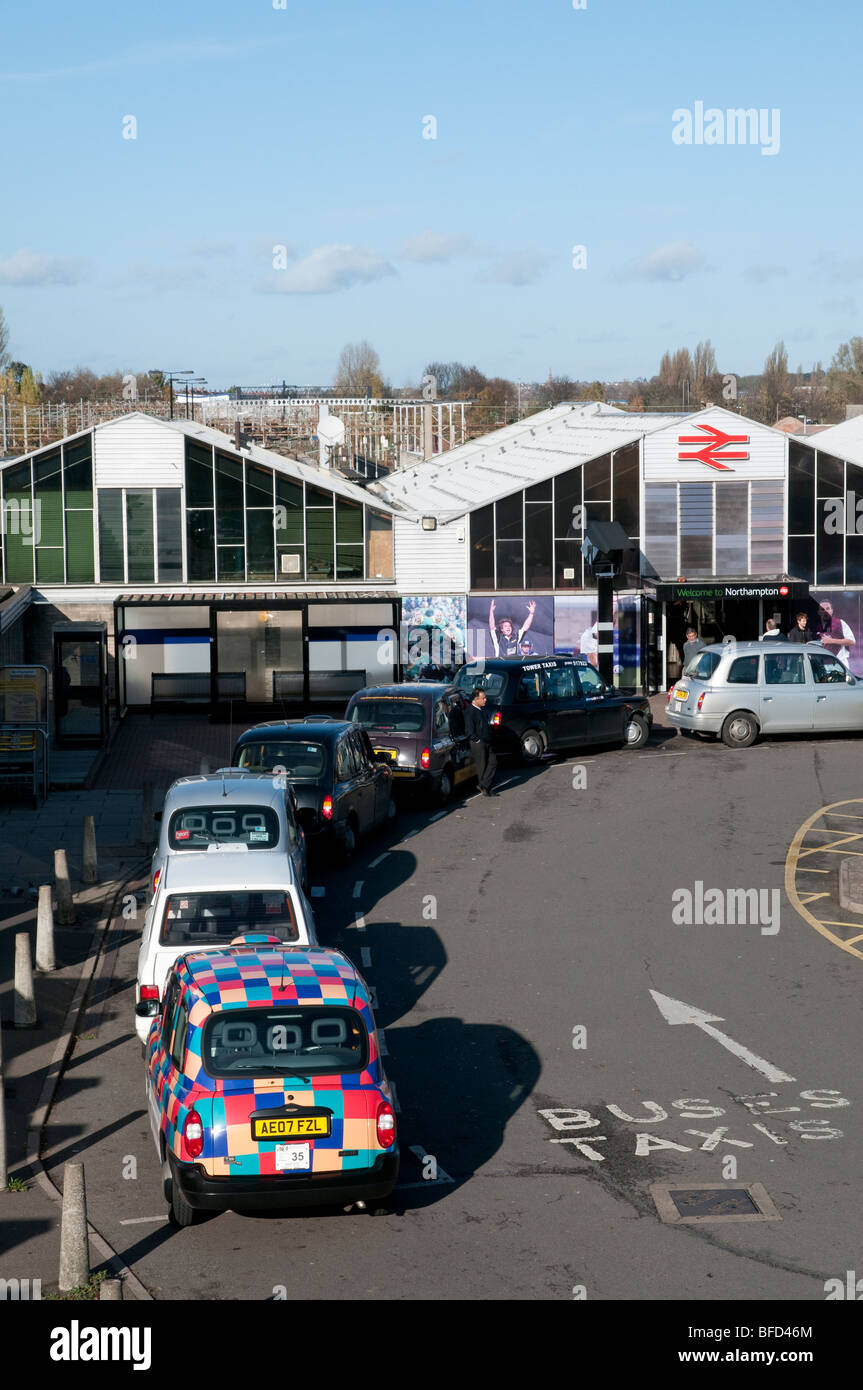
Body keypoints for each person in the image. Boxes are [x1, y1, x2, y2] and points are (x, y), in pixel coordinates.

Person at [464, 686, 497, 796]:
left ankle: (484, 785)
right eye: (483, 698)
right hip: (479, 743)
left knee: (493, 762)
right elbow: (469, 729)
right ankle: (486, 788)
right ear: (475, 699)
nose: (485, 700)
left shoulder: (481, 710)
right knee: (482, 765)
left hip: (487, 741)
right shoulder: (470, 711)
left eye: (485, 697)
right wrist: (476, 740)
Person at [817, 600, 856, 670]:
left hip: (839, 663)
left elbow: (852, 641)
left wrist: (831, 641)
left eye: (828, 608)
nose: (825, 611)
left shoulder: (840, 623)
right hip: (822, 665)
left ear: (832, 610)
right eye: (822, 609)